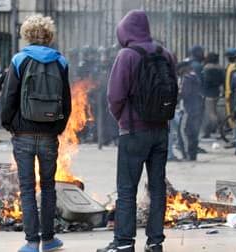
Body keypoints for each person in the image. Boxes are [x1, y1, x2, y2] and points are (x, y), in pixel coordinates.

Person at [99, 10, 177, 252]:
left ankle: (123, 243)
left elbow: (115, 96)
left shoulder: (127, 55)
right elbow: (174, 88)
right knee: (157, 188)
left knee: (127, 189)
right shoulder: (165, 54)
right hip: (161, 131)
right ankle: (155, 243)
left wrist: (122, 118)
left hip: (134, 132)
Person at [1, 15, 71, 252]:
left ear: (27, 35)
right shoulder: (60, 61)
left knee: (28, 187)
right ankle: (49, 239)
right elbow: (67, 101)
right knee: (49, 187)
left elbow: (9, 96)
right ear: (49, 35)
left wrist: (10, 124)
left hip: (23, 133)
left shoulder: (19, 59)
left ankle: (32, 242)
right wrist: (57, 128)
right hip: (49, 134)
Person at [179, 61, 204, 161]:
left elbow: (185, 94)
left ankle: (188, 154)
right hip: (196, 108)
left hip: (188, 109)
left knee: (184, 132)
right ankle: (193, 155)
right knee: (194, 132)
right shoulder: (196, 77)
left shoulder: (187, 79)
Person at [201, 52, 224, 138]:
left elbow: (205, 81)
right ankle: (216, 129)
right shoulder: (220, 68)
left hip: (208, 93)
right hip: (216, 92)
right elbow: (222, 80)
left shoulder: (206, 68)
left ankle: (218, 129)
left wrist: (202, 91)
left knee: (210, 113)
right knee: (214, 112)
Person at [224, 48, 236, 127]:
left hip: (231, 93)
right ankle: (233, 128)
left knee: (232, 111)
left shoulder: (235, 67)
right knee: (230, 111)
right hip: (229, 92)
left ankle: (235, 129)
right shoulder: (231, 66)